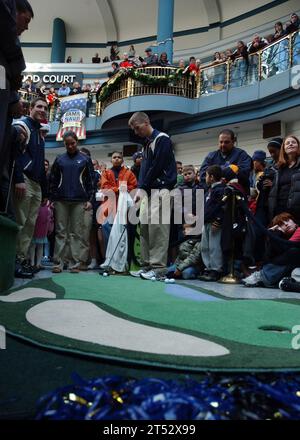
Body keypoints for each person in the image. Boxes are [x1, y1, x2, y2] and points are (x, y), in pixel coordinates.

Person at [128, 112, 177, 280]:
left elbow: (158, 166)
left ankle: (158, 269)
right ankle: (147, 265)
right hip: (148, 191)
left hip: (162, 189)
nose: (136, 132)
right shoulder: (146, 144)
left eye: (137, 128)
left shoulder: (162, 139)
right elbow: (144, 170)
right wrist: (141, 188)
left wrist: (142, 187)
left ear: (146, 122)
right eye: (134, 129)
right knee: (146, 229)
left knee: (158, 229)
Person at [49, 131, 95, 273]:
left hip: (79, 201)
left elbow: (91, 181)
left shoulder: (85, 159)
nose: (70, 146)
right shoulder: (59, 159)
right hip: (61, 200)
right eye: (67, 144)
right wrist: (53, 198)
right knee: (60, 232)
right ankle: (58, 263)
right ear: (64, 144)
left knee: (76, 233)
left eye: (73, 143)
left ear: (77, 142)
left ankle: (75, 263)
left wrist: (89, 199)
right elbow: (53, 179)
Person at [13, 97, 48, 276]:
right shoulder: (23, 125)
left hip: (36, 185)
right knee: (20, 222)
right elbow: (15, 155)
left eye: (45, 107)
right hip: (24, 180)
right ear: (31, 108)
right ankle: (13, 262)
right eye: (39, 106)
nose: (42, 110)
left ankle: (21, 259)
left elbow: (41, 165)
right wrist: (19, 178)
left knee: (29, 225)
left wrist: (44, 190)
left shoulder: (39, 133)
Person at [242, 212, 300, 287]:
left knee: (293, 252)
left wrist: (274, 233)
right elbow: (269, 256)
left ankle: (263, 276)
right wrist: (275, 234)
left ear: (294, 222)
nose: (286, 224)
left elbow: (286, 249)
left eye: (287, 220)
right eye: (281, 224)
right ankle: (264, 276)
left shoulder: (299, 230)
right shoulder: (284, 238)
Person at [199, 129, 252, 194]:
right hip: (215, 195)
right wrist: (218, 181)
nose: (223, 145)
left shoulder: (241, 155)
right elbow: (203, 174)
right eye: (221, 142)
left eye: (226, 142)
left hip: (236, 196)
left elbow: (245, 172)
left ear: (233, 142)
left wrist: (220, 176)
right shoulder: (211, 156)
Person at [199, 165, 226, 281]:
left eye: (206, 175)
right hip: (206, 222)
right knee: (205, 247)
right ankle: (208, 268)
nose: (205, 178)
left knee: (214, 247)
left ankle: (216, 269)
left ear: (212, 177)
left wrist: (219, 220)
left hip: (214, 223)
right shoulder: (210, 190)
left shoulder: (220, 190)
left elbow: (223, 207)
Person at [268, 135, 300, 222]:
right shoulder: (278, 168)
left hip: (297, 212)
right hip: (279, 211)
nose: (290, 144)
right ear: (284, 149)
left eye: (294, 142)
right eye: (287, 143)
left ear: (298, 146)